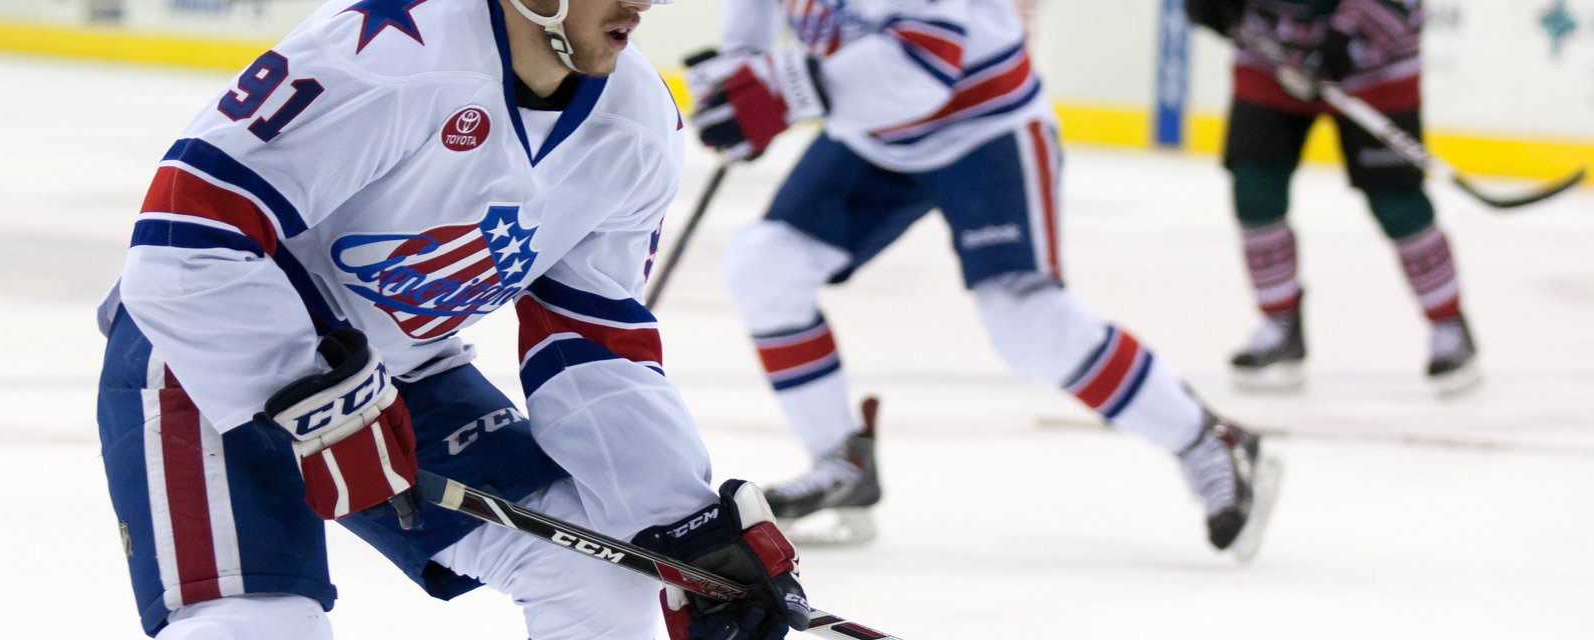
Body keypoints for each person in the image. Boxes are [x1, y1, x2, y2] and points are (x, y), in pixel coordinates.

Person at [94, 0, 810, 639]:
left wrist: (679, 522)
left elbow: (591, 341)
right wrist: (324, 405)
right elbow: (182, 244)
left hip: (401, 372)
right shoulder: (386, 56)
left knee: (600, 572)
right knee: (258, 627)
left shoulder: (637, 122)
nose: (644, 2)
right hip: (200, 348)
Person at [682, 0, 1281, 555]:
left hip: (984, 124)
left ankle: (1206, 438)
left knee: (1026, 321)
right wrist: (737, 83)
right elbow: (753, 26)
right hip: (874, 131)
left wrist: (784, 91)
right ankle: (843, 464)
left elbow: (926, 59)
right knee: (766, 266)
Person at [1185, 0, 1480, 393]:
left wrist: (1348, 36)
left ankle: (1448, 323)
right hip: (1272, 57)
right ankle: (1280, 323)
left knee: (1397, 203)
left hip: (1374, 65)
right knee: (1255, 185)